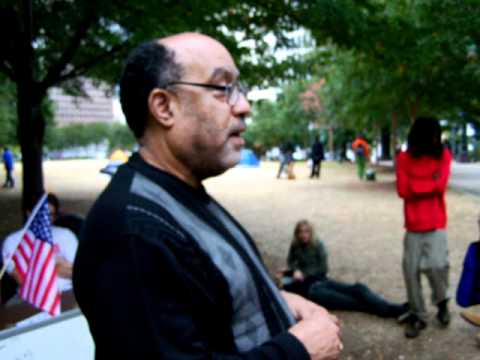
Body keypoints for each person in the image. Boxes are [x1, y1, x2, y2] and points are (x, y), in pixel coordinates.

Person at [73, 33, 342, 359]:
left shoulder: (180, 191)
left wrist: (273, 298)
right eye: (222, 89)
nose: (244, 106)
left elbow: (204, 296)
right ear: (164, 107)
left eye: (239, 89)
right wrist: (299, 350)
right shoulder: (132, 234)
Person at [396, 116, 452, 338]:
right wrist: (431, 182)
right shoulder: (404, 158)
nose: (436, 139)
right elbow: (403, 190)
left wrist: (416, 184)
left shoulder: (444, 156)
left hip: (436, 222)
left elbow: (441, 185)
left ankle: (442, 302)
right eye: (432, 135)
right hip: (413, 225)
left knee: (438, 266)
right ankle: (418, 314)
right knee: (411, 271)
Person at [280, 220, 407, 318]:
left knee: (358, 288)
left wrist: (300, 273)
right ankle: (394, 311)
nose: (303, 235)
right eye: (300, 232)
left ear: (311, 232)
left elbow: (323, 269)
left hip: (323, 281)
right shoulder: (294, 247)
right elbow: (290, 263)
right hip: (314, 293)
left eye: (306, 231)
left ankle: (394, 308)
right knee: (353, 303)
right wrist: (293, 271)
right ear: (296, 233)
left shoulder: (317, 245)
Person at [1, 193, 78, 299]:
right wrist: (55, 266)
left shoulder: (65, 235)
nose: (46, 218)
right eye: (42, 213)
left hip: (68, 294)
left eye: (51, 214)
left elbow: (79, 273)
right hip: (33, 299)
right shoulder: (13, 241)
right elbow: (23, 280)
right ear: (29, 213)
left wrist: (39, 268)